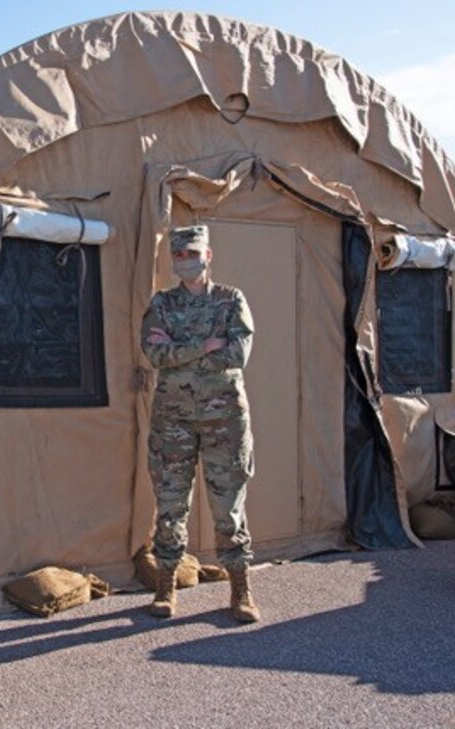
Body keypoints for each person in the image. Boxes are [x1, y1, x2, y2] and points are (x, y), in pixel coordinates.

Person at [140, 224, 261, 623]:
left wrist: (179, 352)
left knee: (229, 507)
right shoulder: (162, 303)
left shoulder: (231, 300)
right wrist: (205, 345)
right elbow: (153, 355)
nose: (185, 261)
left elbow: (237, 354)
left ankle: (240, 589)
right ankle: (166, 586)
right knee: (170, 504)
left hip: (223, 420)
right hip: (172, 420)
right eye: (179, 255)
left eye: (192, 253)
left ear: (208, 256)